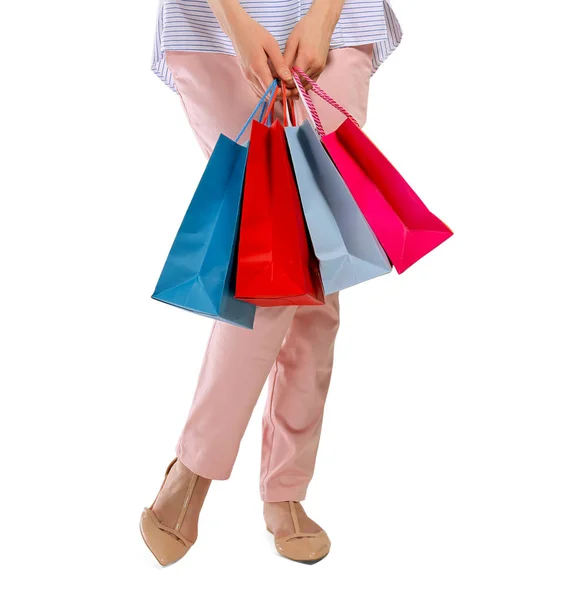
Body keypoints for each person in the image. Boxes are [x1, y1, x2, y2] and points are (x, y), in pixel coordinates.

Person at [142, 0, 402, 566]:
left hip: (336, 26)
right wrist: (233, 17)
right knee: (277, 255)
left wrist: (326, 13)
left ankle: (223, 475)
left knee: (314, 264)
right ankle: (247, 481)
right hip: (215, 26)